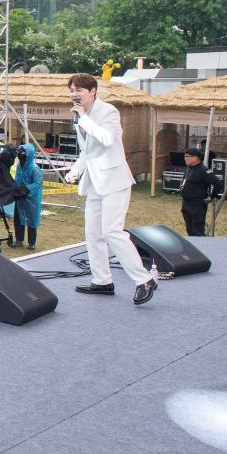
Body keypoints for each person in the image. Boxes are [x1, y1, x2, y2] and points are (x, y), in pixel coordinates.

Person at [64, 74, 156, 305]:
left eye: (79, 90)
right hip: (94, 182)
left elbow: (106, 139)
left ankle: (144, 279)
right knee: (93, 234)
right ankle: (102, 280)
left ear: (93, 90)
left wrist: (83, 118)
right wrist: (76, 170)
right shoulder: (80, 117)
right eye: (72, 90)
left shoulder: (109, 112)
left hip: (114, 180)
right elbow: (88, 151)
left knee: (112, 231)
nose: (74, 94)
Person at [179, 147, 220, 237]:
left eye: (187, 156)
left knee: (198, 231)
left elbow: (217, 183)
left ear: (195, 158)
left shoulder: (203, 170)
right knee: (189, 230)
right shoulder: (189, 169)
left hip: (197, 205)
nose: (185, 158)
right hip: (186, 204)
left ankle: (202, 248)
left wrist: (211, 197)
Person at [12, 142, 43, 249]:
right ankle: (19, 240)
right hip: (20, 197)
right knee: (18, 218)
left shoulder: (35, 168)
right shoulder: (19, 166)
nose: (20, 155)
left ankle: (31, 243)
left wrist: (26, 189)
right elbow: (17, 179)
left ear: (29, 154)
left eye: (23, 153)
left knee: (31, 220)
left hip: (31, 199)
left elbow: (38, 184)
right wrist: (15, 188)